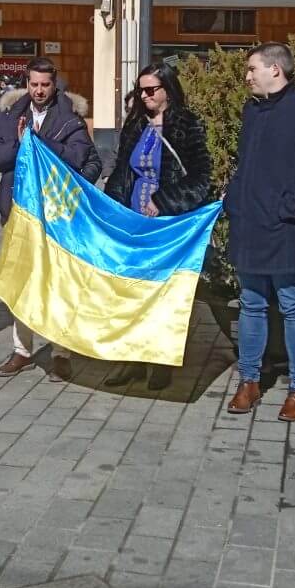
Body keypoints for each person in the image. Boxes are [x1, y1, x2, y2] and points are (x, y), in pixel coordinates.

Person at [224, 44, 295, 422]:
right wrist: (234, 201)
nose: (247, 75)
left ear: (275, 69)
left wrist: (286, 208)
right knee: (251, 303)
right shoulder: (252, 111)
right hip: (249, 224)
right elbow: (246, 166)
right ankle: (250, 380)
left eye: (252, 68)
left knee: (292, 303)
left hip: (285, 227)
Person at [0, 58, 102, 382]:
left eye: (44, 85)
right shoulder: (10, 114)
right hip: (19, 212)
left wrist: (38, 143)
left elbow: (81, 158)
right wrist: (20, 147)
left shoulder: (69, 118)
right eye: (34, 84)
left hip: (56, 215)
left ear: (54, 83)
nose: (39, 90)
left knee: (59, 283)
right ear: (27, 83)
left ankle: (61, 352)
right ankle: (22, 350)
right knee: (22, 282)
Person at [103, 61, 214, 390]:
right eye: (141, 90)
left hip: (168, 226)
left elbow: (201, 177)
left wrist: (164, 201)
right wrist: (113, 210)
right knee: (130, 293)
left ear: (168, 90)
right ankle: (130, 361)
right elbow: (124, 169)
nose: (145, 95)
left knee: (164, 295)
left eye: (151, 89)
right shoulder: (136, 124)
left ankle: (160, 362)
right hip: (134, 223)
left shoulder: (186, 124)